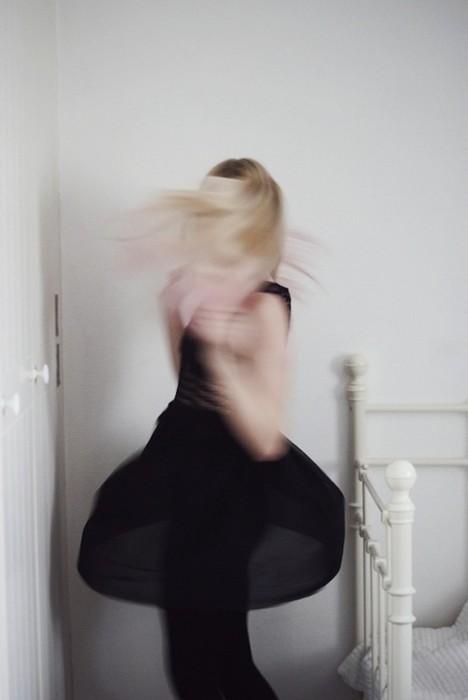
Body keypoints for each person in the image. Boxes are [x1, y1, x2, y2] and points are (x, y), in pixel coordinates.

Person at [78, 158, 345, 700]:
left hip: (232, 491)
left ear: (251, 219)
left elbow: (264, 438)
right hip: (179, 471)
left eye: (222, 208)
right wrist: (177, 314)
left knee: (213, 664)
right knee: (202, 660)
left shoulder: (265, 303)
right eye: (205, 204)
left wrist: (223, 353)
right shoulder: (197, 288)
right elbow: (189, 384)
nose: (207, 217)